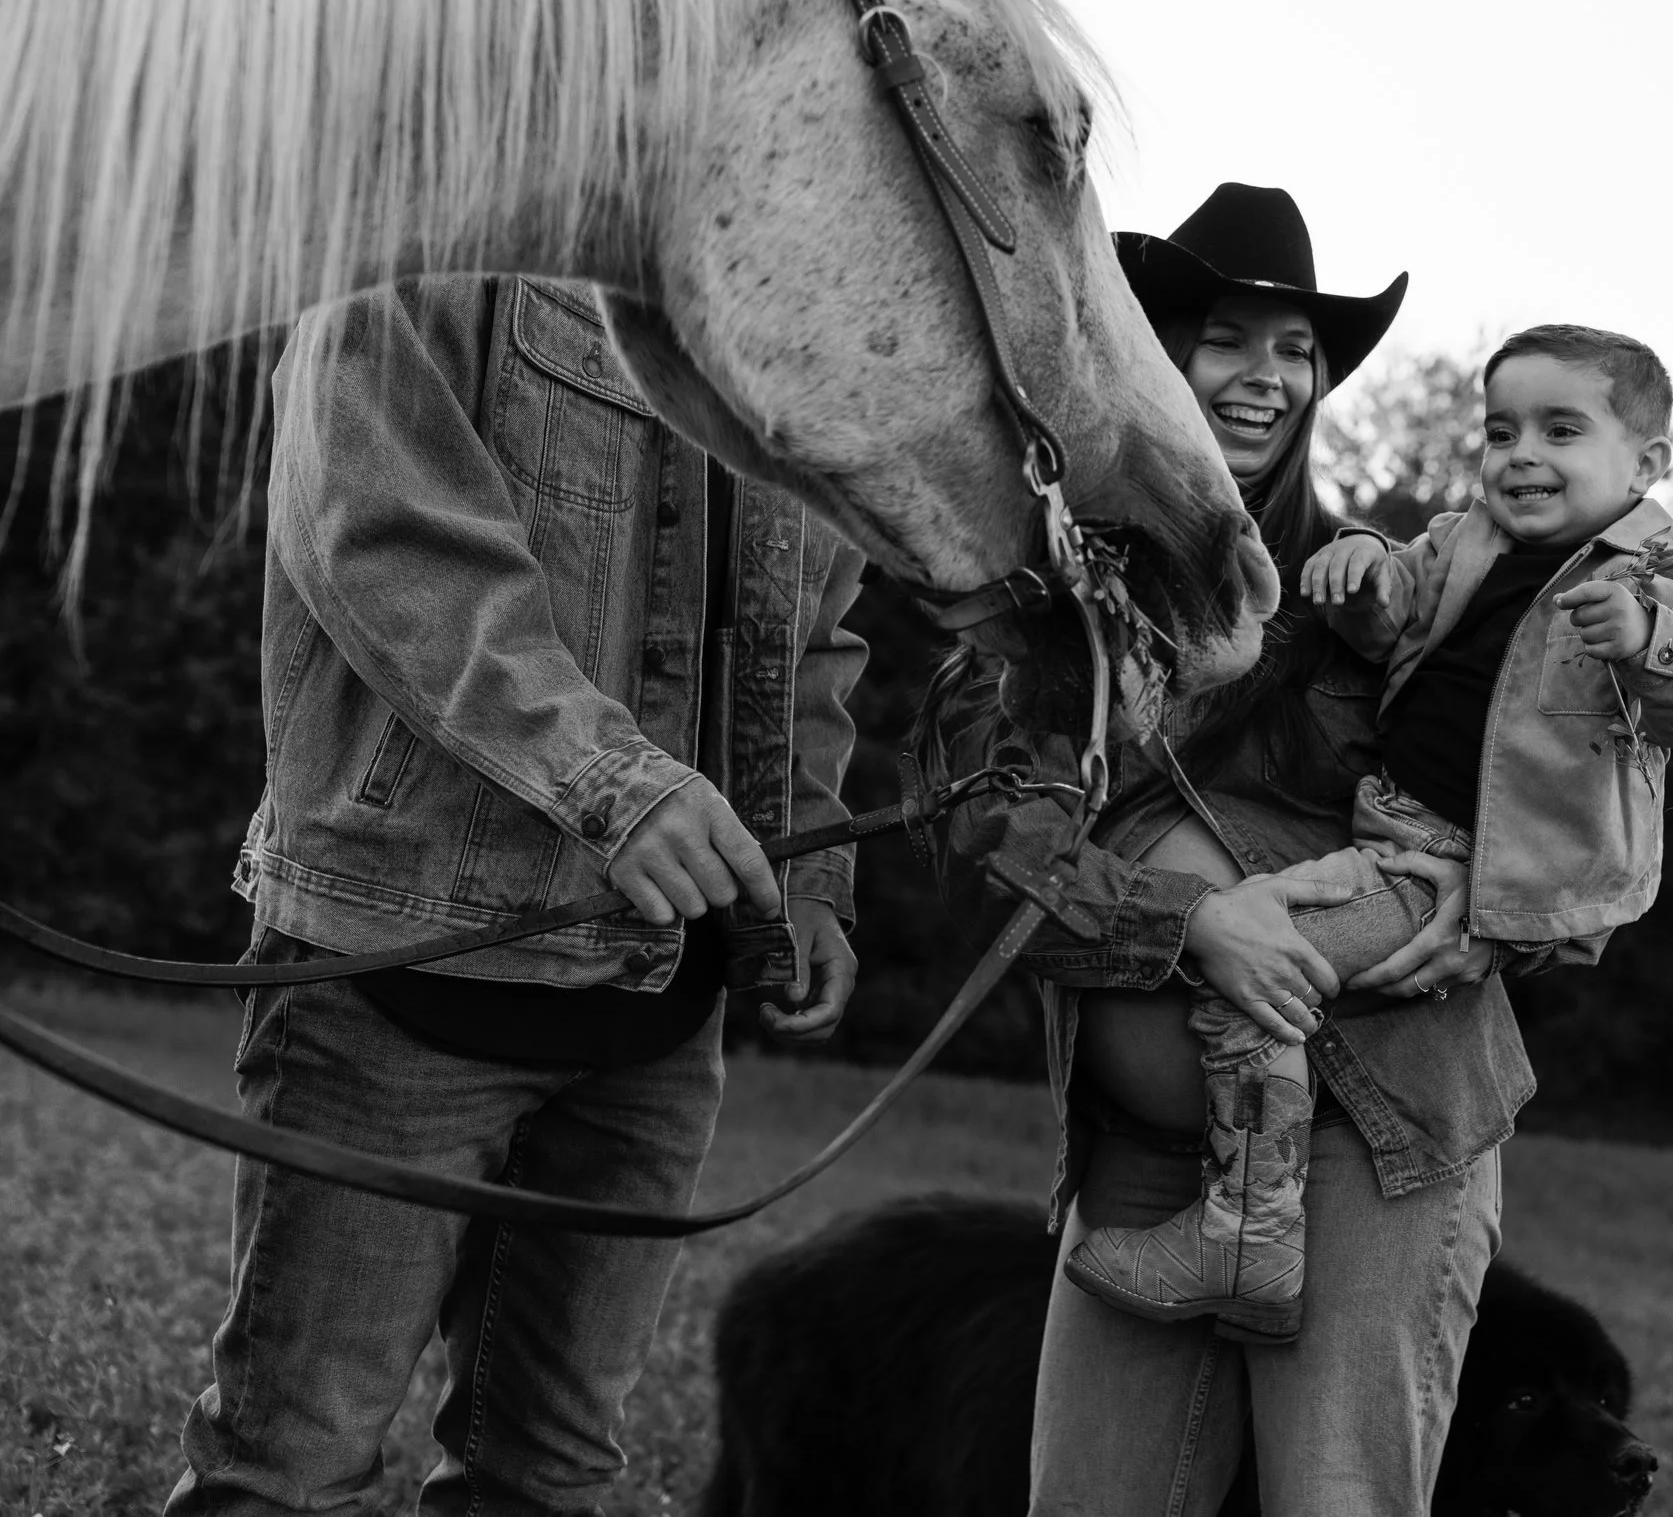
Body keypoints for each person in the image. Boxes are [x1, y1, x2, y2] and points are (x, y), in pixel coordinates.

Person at [168, 276, 870, 1513]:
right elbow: (377, 532)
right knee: (288, 1468)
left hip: (658, 1007)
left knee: (544, 1472)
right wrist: (614, 783)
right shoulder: (431, 237)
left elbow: (817, 633)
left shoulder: (776, 316)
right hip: (402, 967)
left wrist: (808, 864)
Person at [938, 182, 1523, 1514]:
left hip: (1371, 1134)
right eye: (1232, 338)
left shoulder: (1386, 584)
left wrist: (1488, 902)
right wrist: (1189, 922)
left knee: (1336, 1501)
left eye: (1297, 349)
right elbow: (993, 817)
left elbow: (1532, 786)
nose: (1268, 377)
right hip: (1148, 1159)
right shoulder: (1046, 576)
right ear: (1160, 347)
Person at [1067, 321, 1673, 1336]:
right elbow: (1394, 612)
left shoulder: (1666, 577)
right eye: (1500, 430)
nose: (1520, 454)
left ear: (1645, 462)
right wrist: (1360, 563)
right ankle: (1252, 1233)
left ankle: (1248, 1232)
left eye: (1560, 430)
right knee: (1263, 964)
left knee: (1255, 978)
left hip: (1460, 866)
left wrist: (1650, 642)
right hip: (1387, 832)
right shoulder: (1467, 539)